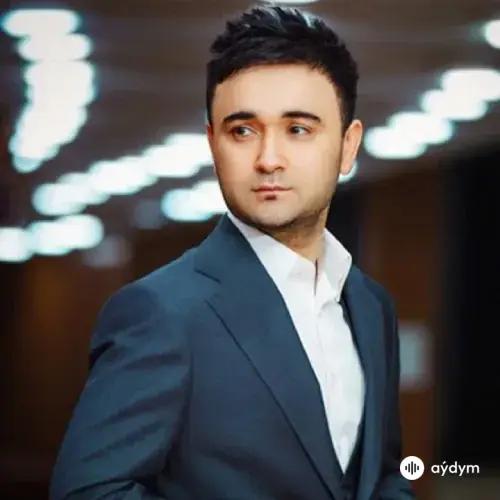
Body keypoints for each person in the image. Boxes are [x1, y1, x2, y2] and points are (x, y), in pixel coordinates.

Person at [50, 5, 415, 500]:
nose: (268, 159)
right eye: (242, 131)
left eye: (298, 129)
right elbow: (89, 492)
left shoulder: (372, 306)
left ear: (348, 146)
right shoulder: (162, 313)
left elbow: (382, 476)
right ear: (212, 143)